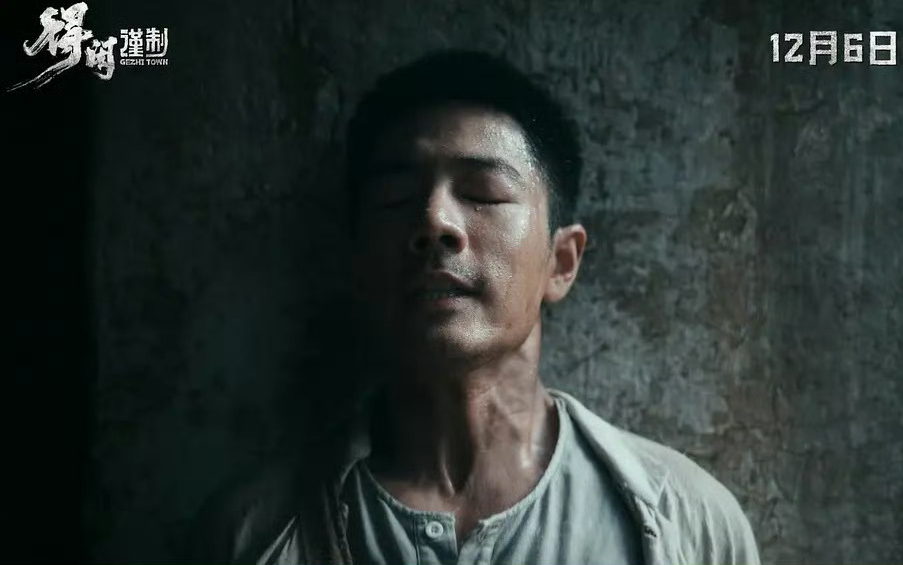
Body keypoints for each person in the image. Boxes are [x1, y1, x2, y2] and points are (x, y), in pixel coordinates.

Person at [189, 48, 760, 565]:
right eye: (397, 199)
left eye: (482, 193)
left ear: (561, 262)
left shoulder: (689, 526)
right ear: (357, 261)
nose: (435, 222)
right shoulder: (251, 536)